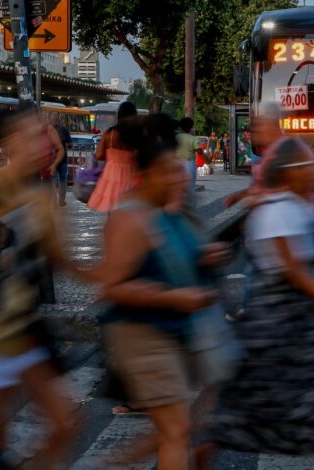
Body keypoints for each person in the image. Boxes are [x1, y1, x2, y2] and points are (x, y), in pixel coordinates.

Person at [197, 138, 314, 470]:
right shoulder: (277, 211)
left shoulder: (294, 207)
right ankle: (203, 453)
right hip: (271, 333)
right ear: (291, 172)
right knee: (243, 413)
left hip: (297, 331)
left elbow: (303, 277)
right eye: (309, 167)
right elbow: (294, 274)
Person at [95, 114, 227, 470]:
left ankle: (117, 459)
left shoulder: (167, 212)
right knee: (176, 432)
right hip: (141, 335)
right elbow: (113, 287)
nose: (178, 176)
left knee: (178, 426)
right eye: (169, 171)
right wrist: (173, 297)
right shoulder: (130, 218)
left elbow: (175, 260)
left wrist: (204, 256)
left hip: (173, 331)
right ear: (149, 174)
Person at [0, 107, 77, 468]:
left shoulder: (41, 198)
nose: (46, 143)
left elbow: (62, 261)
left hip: (25, 330)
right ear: (7, 144)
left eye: (46, 135)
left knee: (65, 424)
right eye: (33, 135)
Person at [223, 104, 285, 207]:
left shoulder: (288, 149)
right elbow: (260, 185)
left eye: (260, 125)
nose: (255, 131)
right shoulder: (266, 151)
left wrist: (263, 199)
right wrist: (239, 196)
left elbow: (293, 187)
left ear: (272, 125)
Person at [87, 102, 139, 212]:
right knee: (130, 211)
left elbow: (99, 155)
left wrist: (112, 156)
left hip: (111, 175)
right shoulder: (137, 134)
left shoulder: (109, 134)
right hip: (132, 175)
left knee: (112, 210)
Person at [49, 113, 72, 207]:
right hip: (62, 159)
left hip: (51, 160)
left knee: (53, 182)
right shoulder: (64, 130)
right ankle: (61, 201)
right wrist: (68, 145)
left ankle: (54, 201)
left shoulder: (48, 130)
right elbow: (70, 144)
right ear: (58, 120)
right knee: (63, 181)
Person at [176, 117, 203, 192]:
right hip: (189, 163)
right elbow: (199, 152)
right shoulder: (193, 139)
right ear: (191, 127)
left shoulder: (175, 138)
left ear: (180, 126)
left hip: (176, 164)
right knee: (190, 187)